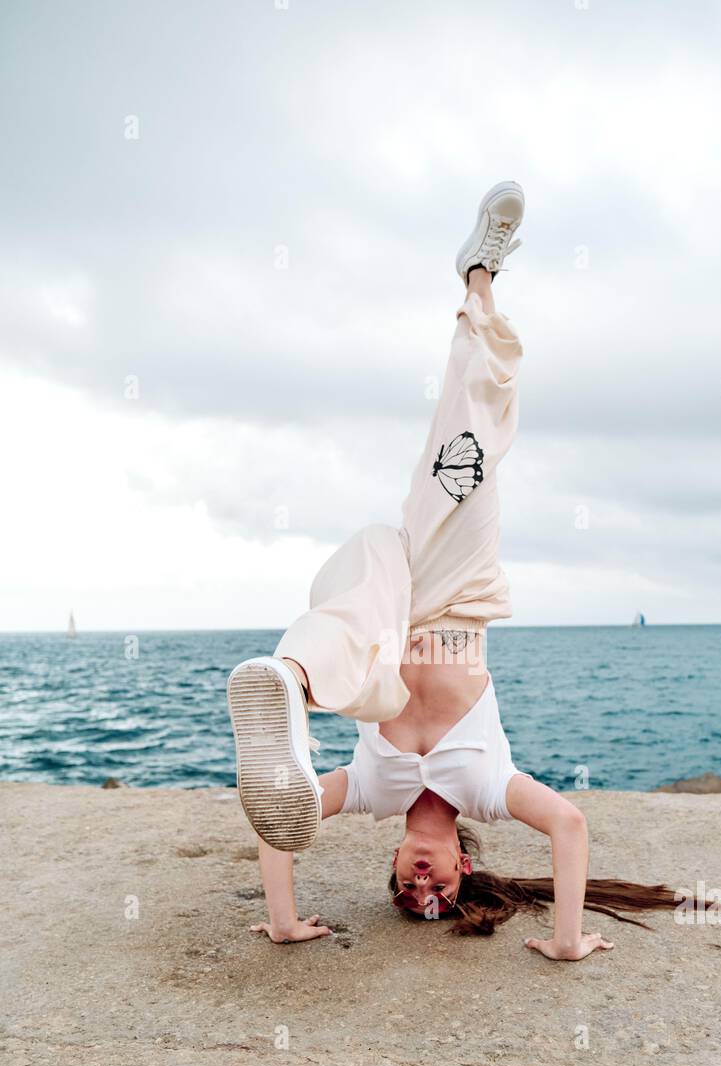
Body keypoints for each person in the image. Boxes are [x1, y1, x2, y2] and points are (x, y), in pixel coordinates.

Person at [227, 182, 680, 961]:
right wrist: (566, 942)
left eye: (406, 892)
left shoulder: (372, 791)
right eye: (440, 894)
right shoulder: (488, 788)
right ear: (465, 867)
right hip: (457, 590)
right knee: (474, 429)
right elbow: (569, 825)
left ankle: (291, 683)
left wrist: (283, 919)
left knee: (366, 587)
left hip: (390, 608)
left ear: (394, 864)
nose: (421, 888)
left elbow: (281, 820)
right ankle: (480, 280)